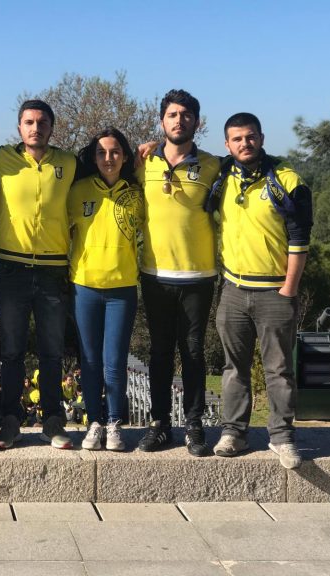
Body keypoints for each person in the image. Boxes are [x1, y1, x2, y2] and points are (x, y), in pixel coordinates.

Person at [210, 113, 313, 469]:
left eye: (251, 136)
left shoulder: (288, 180)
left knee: (279, 369)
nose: (245, 143)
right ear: (227, 144)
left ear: (262, 138)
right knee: (233, 368)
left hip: (275, 291)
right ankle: (234, 433)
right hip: (233, 289)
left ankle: (282, 438)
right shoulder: (222, 175)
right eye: (237, 139)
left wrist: (289, 289)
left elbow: (300, 239)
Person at [0, 100, 79, 450]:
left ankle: (53, 421)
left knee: (52, 351)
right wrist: (3, 215)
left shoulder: (69, 162)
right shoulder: (0, 157)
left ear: (52, 127)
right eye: (29, 122)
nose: (36, 128)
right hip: (12, 267)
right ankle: (10, 420)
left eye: (43, 122)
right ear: (19, 127)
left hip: (53, 269)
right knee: (11, 351)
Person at [136, 89, 220, 457]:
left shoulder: (214, 165)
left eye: (186, 115)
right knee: (159, 353)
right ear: (161, 121)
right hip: (154, 274)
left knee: (193, 353)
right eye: (172, 114)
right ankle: (159, 424)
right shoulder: (143, 162)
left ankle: (194, 424)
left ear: (197, 122)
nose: (179, 120)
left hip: (198, 277)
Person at [69, 127, 143, 451]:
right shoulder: (78, 191)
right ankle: (94, 422)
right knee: (89, 361)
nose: (108, 158)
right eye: (101, 152)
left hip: (122, 289)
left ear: (124, 156)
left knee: (114, 360)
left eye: (114, 152)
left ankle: (114, 423)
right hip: (84, 287)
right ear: (93, 157)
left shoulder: (137, 193)